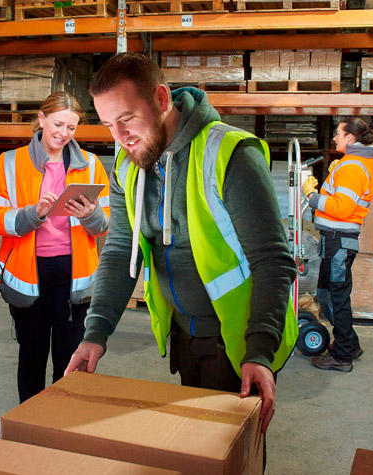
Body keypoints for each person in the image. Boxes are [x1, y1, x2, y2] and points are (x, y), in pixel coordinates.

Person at [64, 52, 298, 435]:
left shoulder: (231, 154)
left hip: (238, 341)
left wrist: (259, 349)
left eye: (126, 119)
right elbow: (122, 250)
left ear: (160, 99)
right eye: (108, 125)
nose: (119, 138)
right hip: (184, 337)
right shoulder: (128, 165)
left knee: (233, 452)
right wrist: (96, 332)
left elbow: (272, 260)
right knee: (195, 444)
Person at [0, 91, 110, 402]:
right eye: (58, 124)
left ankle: (61, 423)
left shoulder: (90, 166)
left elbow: (105, 224)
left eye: (71, 128)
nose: (63, 134)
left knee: (70, 361)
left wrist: (90, 215)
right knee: (32, 358)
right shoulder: (9, 163)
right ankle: (29, 420)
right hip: (29, 278)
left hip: (75, 280)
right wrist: (31, 214)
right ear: (41, 119)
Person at [303, 118, 373, 373]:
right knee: (327, 294)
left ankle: (343, 356)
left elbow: (342, 208)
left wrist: (310, 196)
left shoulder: (353, 166)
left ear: (350, 138)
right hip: (337, 241)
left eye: (338, 134)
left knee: (336, 298)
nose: (334, 138)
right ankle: (351, 344)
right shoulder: (356, 163)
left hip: (338, 241)